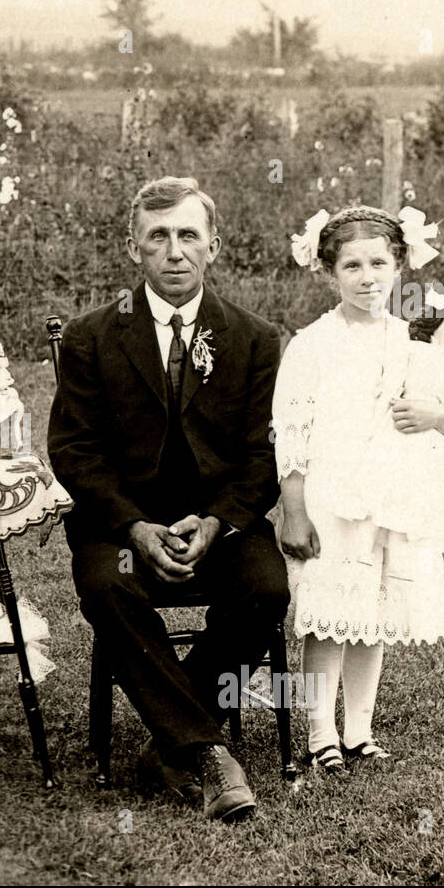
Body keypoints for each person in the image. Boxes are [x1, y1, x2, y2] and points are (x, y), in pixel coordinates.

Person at [48, 176, 288, 822]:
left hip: (222, 530)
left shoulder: (257, 339)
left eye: (188, 235)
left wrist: (217, 522)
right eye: (159, 237)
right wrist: (134, 528)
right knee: (110, 589)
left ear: (213, 246)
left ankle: (175, 743)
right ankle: (208, 751)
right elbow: (74, 453)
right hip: (121, 531)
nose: (175, 251)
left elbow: (264, 455)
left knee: (265, 589)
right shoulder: (90, 338)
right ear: (134, 248)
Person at [275, 204, 444, 774]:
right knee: (329, 611)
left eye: (378, 263)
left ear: (400, 266)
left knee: (374, 614)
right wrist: (295, 509)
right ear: (330, 272)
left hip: (391, 495)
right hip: (332, 499)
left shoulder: (411, 341)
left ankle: (359, 728)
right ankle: (319, 732)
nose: (367, 277)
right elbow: (291, 432)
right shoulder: (312, 344)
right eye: (351, 266)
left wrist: (432, 414)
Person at [365, 290, 444, 550]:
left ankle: (414, 543)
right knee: (386, 485)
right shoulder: (411, 349)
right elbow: (389, 375)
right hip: (396, 421)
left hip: (430, 440)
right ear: (434, 324)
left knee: (423, 494)